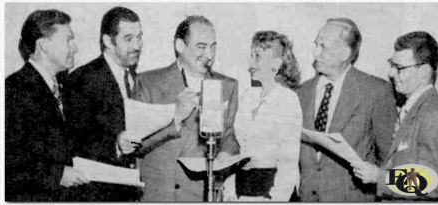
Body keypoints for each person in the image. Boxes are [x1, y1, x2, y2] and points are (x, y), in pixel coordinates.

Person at [134, 15, 240, 201]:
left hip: (203, 195)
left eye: (213, 47)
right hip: (161, 195)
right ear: (180, 46)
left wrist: (226, 152)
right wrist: (175, 118)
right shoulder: (147, 83)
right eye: (201, 46)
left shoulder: (227, 86)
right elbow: (136, 145)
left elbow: (229, 136)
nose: (209, 55)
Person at [296, 18, 398, 201]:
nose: (315, 52)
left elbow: (388, 157)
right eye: (315, 44)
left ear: (345, 53)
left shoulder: (376, 91)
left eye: (323, 46)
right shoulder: (302, 92)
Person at [352, 31, 438, 201]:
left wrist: (380, 177)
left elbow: (437, 183)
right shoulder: (414, 108)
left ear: (424, 72)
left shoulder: (434, 114)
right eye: (391, 65)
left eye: (399, 68)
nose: (391, 73)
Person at [5, 9, 88, 201]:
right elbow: (8, 165)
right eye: (68, 40)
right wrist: (57, 175)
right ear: (43, 45)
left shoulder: (66, 88)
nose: (75, 48)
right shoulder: (13, 90)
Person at [63, 6, 145, 201]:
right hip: (96, 195)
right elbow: (72, 144)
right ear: (108, 41)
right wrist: (116, 145)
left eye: (139, 37)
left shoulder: (135, 78)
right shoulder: (82, 79)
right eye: (128, 39)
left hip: (128, 193)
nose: (137, 45)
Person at [223, 30, 302, 201]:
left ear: (276, 63)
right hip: (241, 186)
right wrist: (229, 190)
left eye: (257, 56)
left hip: (271, 187)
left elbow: (288, 163)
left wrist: (273, 198)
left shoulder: (287, 100)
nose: (250, 63)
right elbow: (236, 149)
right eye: (251, 56)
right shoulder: (247, 96)